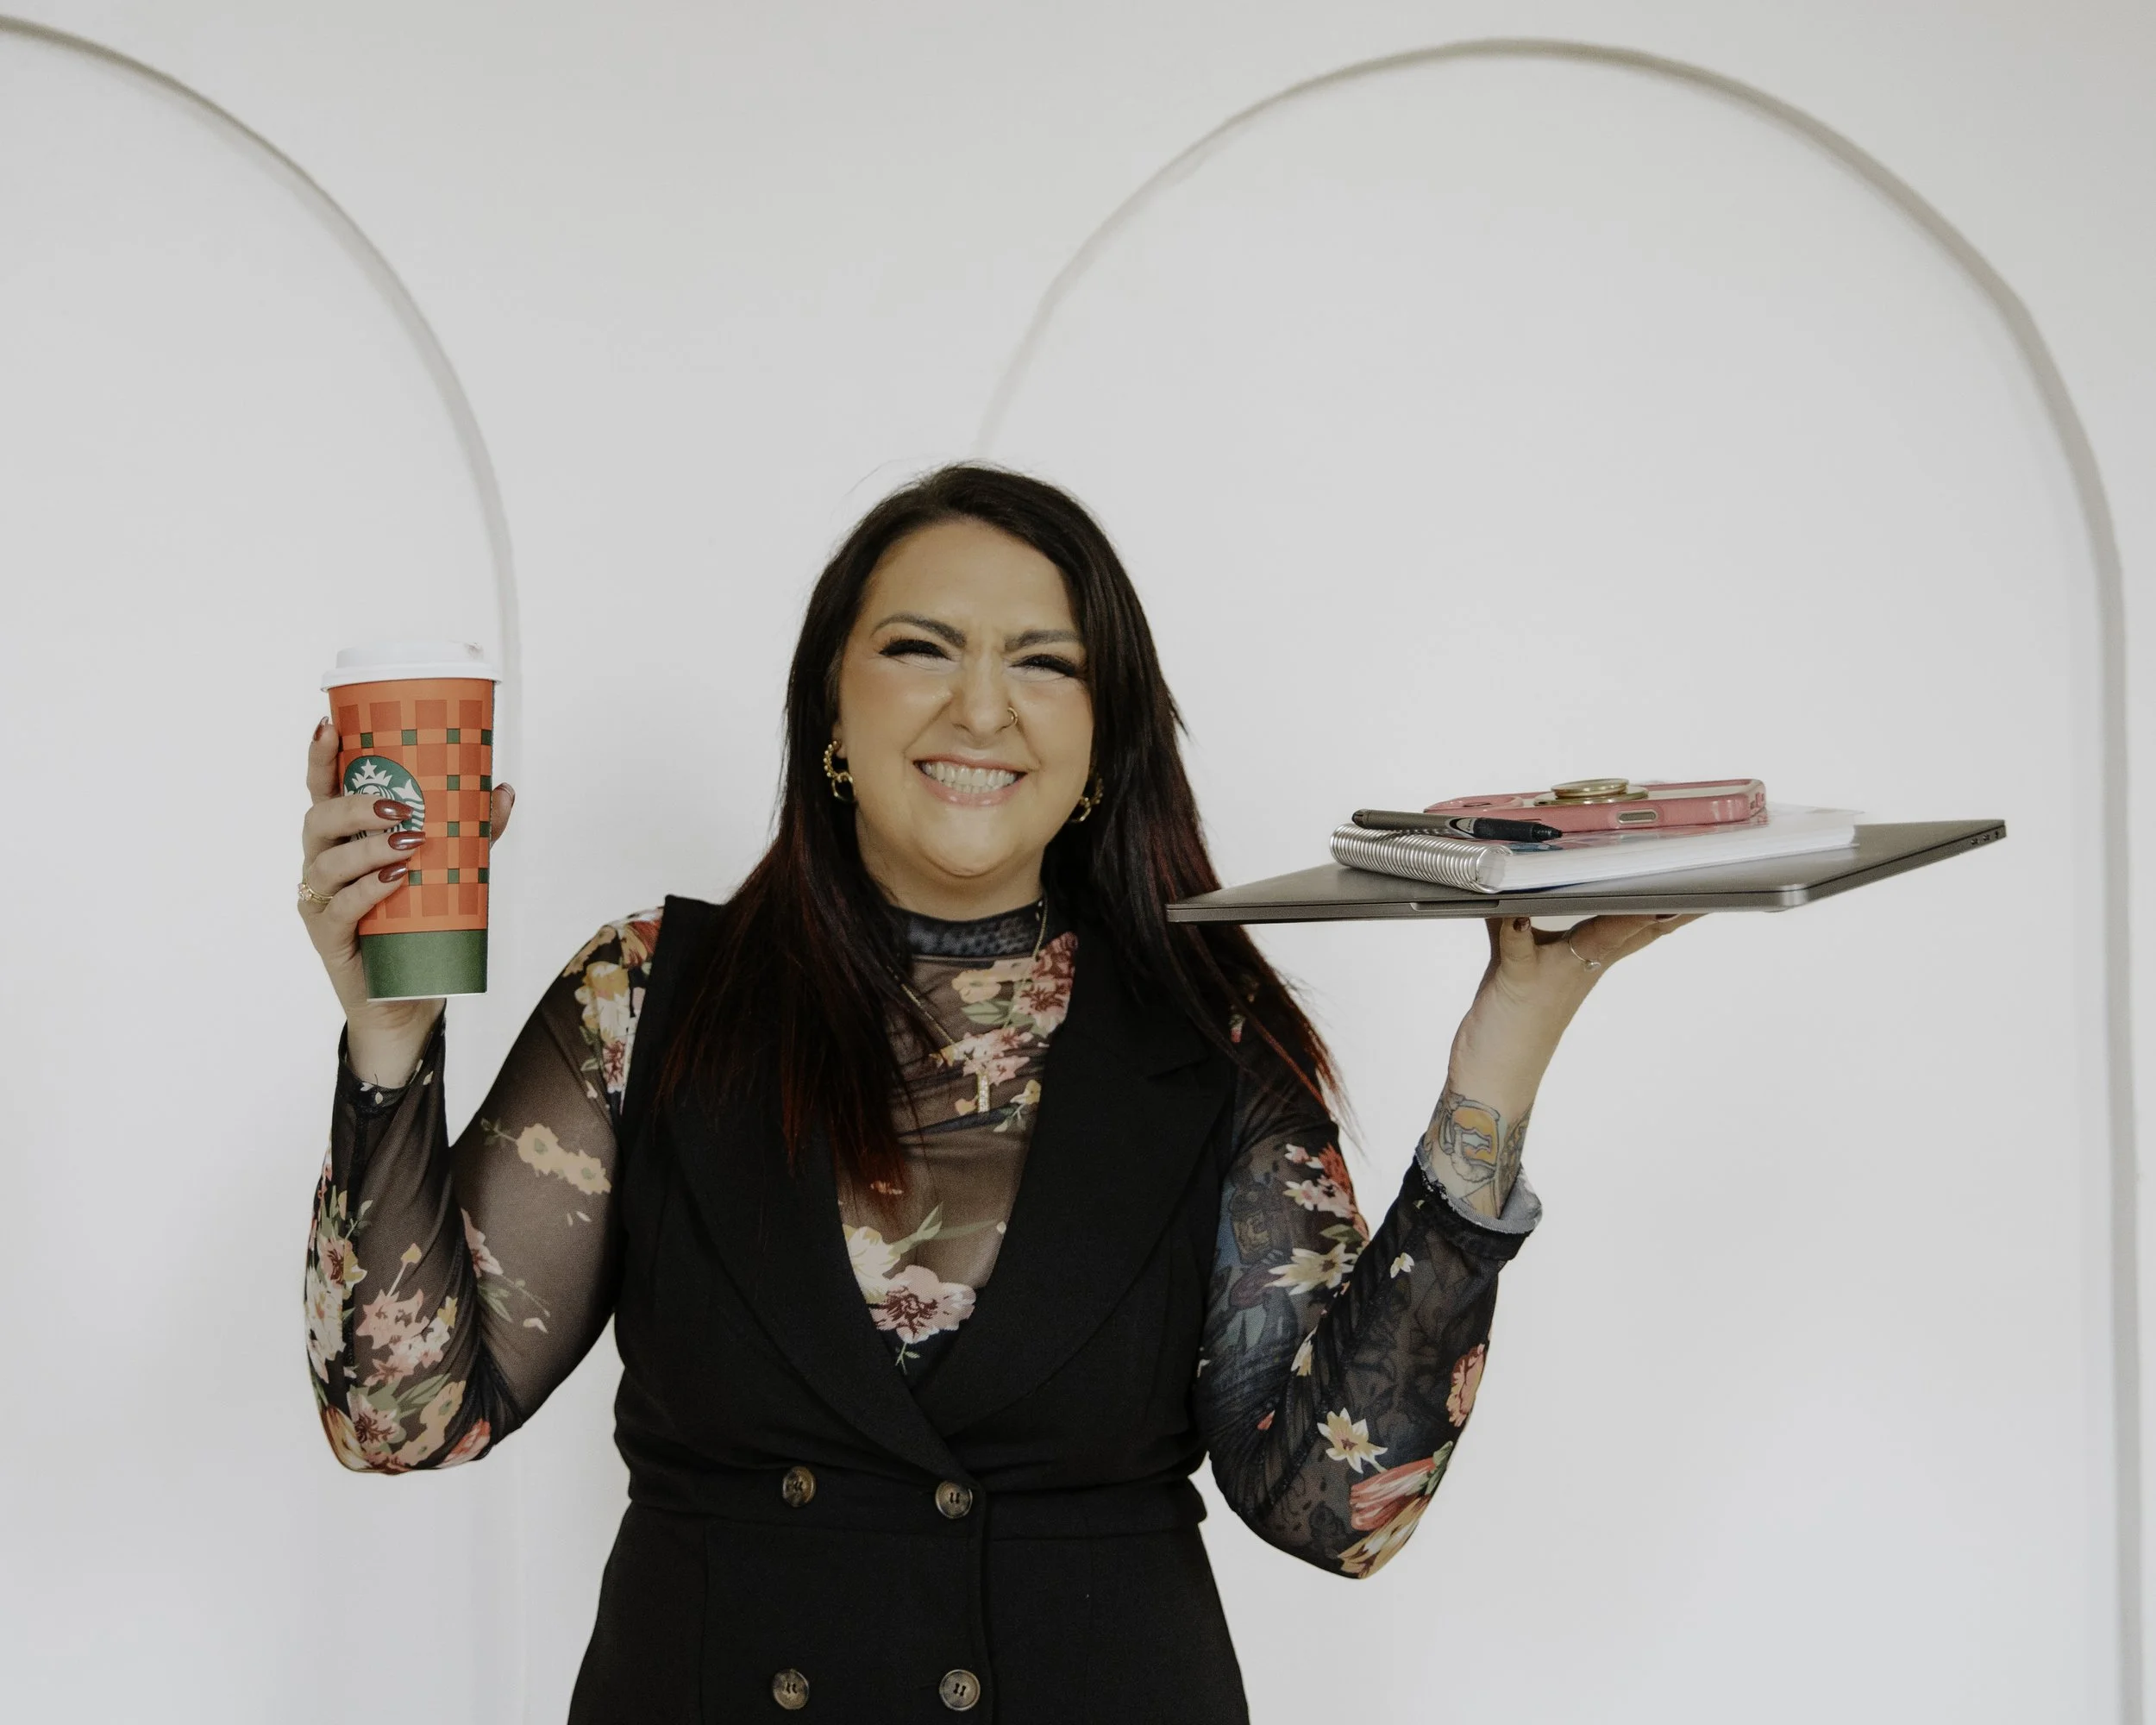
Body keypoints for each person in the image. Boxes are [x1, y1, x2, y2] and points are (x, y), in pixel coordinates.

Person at [295, 465, 1690, 1722]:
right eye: (919, 650)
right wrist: (388, 1037)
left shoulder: (1210, 1041)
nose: (981, 708)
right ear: (831, 707)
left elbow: (1335, 1508)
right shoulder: (651, 1000)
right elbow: (398, 1419)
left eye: (1045, 664)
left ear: (1103, 741)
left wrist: (1507, 1041)